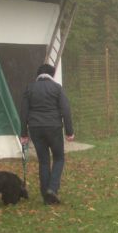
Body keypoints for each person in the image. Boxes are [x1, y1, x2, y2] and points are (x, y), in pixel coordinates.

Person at [19, 64, 75, 205]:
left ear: (38, 75)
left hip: (35, 128)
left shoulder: (30, 88)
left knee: (43, 161)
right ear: (52, 74)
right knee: (58, 158)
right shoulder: (57, 88)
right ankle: (52, 189)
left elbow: (24, 112)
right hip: (54, 127)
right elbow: (66, 110)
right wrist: (69, 131)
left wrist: (23, 133)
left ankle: (46, 194)